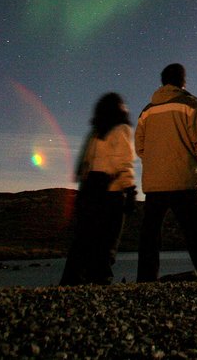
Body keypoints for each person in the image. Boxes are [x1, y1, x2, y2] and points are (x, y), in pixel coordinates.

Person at [135, 63, 197, 282]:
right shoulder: (190, 104)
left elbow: (139, 147)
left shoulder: (147, 111)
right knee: (195, 234)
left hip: (154, 184)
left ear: (163, 81)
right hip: (183, 179)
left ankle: (145, 280)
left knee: (150, 236)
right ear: (182, 81)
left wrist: (155, 162)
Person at [60, 92, 137, 285]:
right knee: (109, 237)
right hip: (111, 189)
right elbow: (123, 161)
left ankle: (72, 280)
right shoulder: (121, 129)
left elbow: (83, 163)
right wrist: (130, 189)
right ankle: (101, 278)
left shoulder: (95, 132)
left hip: (89, 188)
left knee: (84, 236)